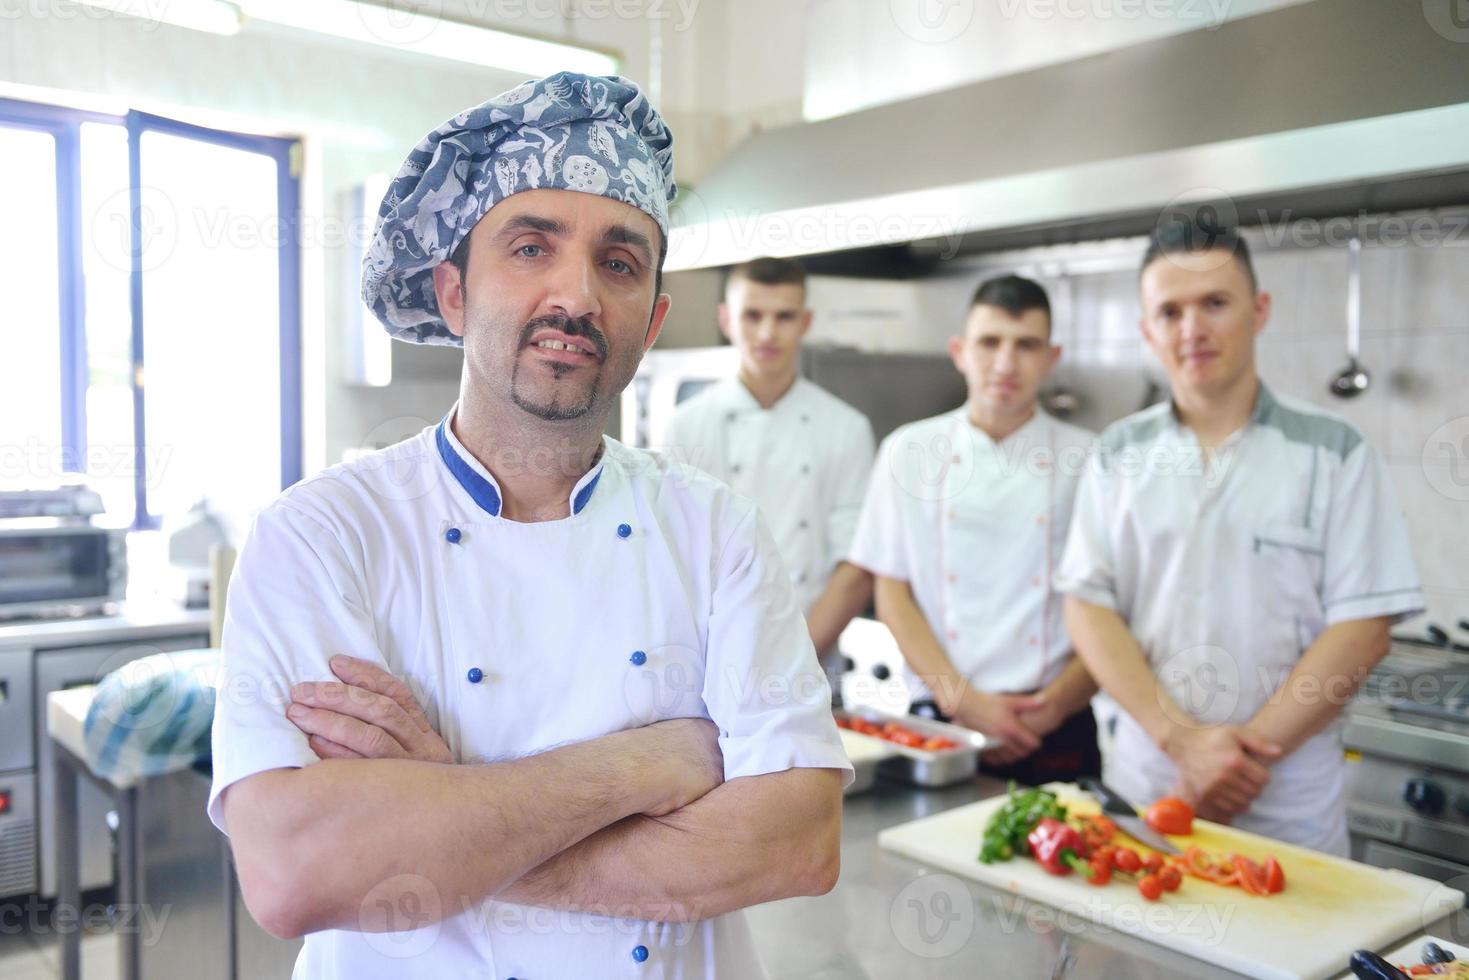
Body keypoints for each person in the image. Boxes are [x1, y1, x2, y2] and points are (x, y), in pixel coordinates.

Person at [208, 73, 850, 979]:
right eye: (529, 248)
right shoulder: (322, 535)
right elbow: (297, 873)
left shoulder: (716, 532)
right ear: (455, 294)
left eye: (618, 263)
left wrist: (441, 816)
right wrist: (649, 766)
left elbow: (796, 846)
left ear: (654, 320)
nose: (576, 295)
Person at [1058, 222, 1423, 854]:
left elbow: (1363, 627)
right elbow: (1088, 607)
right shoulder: (1117, 453)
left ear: (1259, 311)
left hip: (1285, 799)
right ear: (1147, 331)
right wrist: (1185, 743)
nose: (1192, 329)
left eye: (1214, 303)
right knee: (1138, 952)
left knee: (1296, 950)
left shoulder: (1335, 451)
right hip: (1149, 783)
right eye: (1169, 311)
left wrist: (1237, 756)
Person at [848, 275, 1101, 785]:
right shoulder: (909, 451)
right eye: (990, 343)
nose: (1006, 364)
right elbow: (892, 593)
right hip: (944, 718)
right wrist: (963, 700)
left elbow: (1112, 606)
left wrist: (1051, 709)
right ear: (960, 351)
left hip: (1054, 720)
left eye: (1026, 345)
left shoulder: (1093, 459)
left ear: (1051, 358)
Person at [664, 257, 876, 663]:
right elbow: (676, 557)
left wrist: (794, 661)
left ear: (805, 323)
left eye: (784, 317)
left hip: (810, 661)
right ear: (726, 320)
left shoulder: (846, 428)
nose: (767, 332)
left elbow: (855, 566)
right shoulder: (686, 428)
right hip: (710, 661)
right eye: (752, 315)